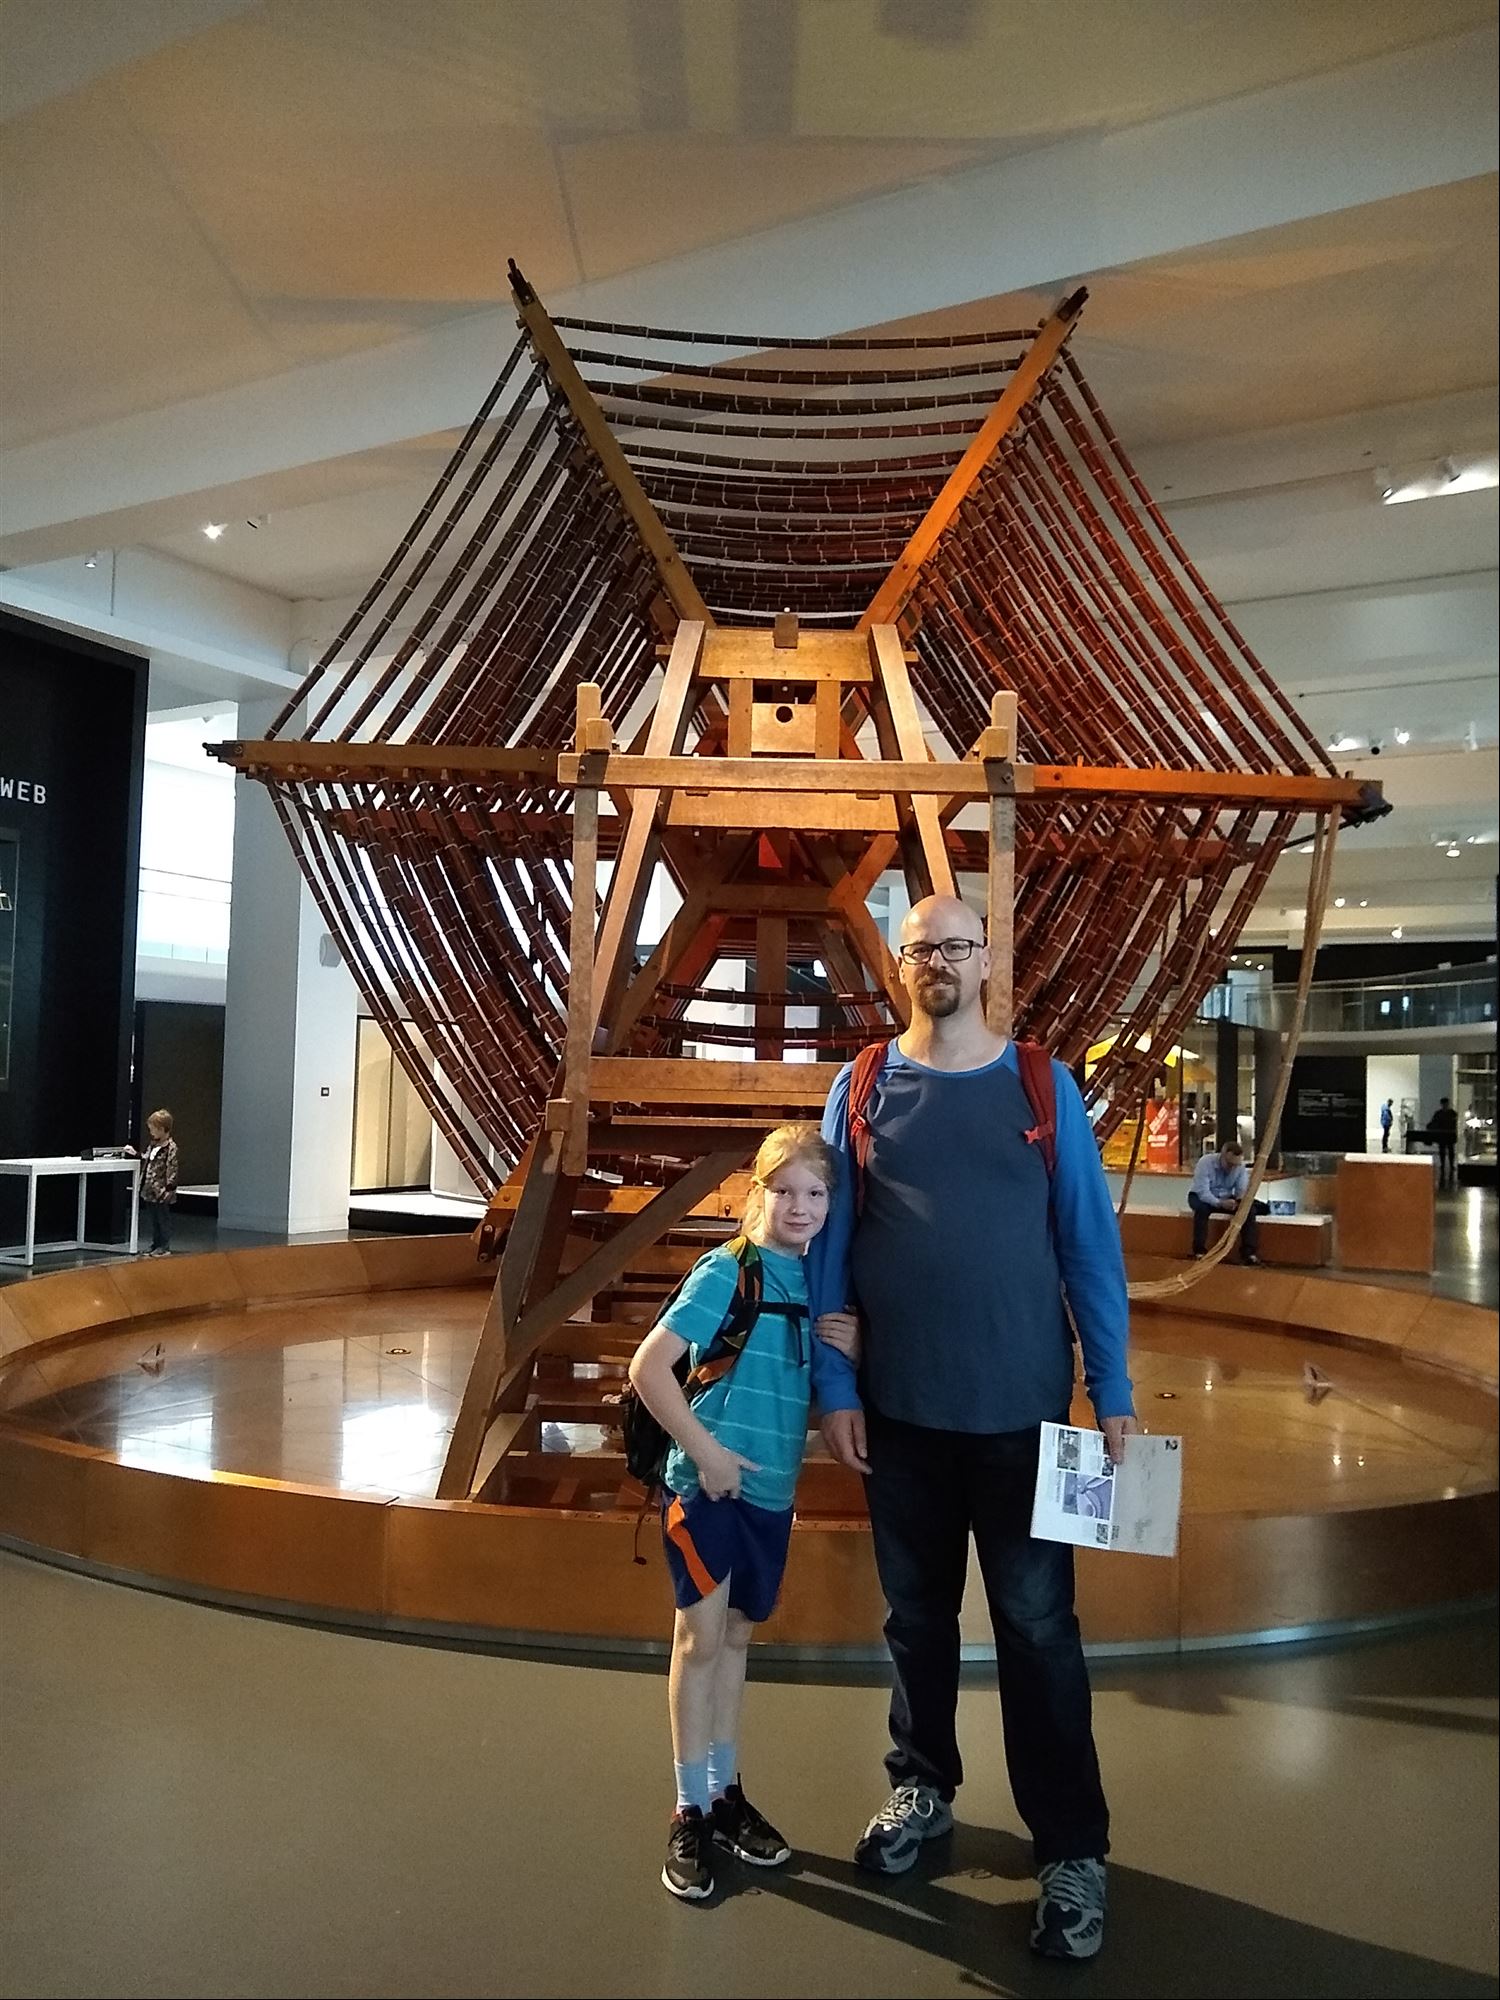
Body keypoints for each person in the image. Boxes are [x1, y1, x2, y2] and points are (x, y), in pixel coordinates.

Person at [808, 894, 1136, 1964]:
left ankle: (1071, 1847)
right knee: (916, 1618)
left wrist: (1113, 1385)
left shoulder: (1042, 1085)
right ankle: (922, 1785)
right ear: (900, 966)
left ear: (987, 960)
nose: (939, 962)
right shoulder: (862, 1088)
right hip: (900, 1415)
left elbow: (1088, 1242)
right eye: (921, 949)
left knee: (1040, 1629)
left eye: (956, 946)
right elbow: (830, 1251)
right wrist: (836, 1387)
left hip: (1026, 1417)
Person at [626, 1122, 850, 1903]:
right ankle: (689, 1807)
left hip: (771, 1493)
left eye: (815, 1192)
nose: (800, 1206)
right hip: (706, 1488)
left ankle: (725, 1793)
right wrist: (710, 1456)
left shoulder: (817, 1284)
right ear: (757, 1192)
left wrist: (855, 1347)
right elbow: (650, 1368)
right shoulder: (727, 1271)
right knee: (700, 1638)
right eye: (783, 1190)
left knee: (738, 1637)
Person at [1187, 1140, 1268, 1263]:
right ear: (1222, 1156)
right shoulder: (1205, 1162)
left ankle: (1249, 1253)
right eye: (1230, 1164)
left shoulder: (1240, 1167)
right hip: (1201, 1196)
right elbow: (1203, 1192)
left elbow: (1241, 1189)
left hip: (1226, 1197)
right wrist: (1219, 1203)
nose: (1232, 1168)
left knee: (1248, 1211)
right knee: (1201, 1210)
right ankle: (1199, 1251)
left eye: (1236, 1165)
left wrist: (1239, 1201)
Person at [125, 1108, 179, 1258]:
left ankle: (164, 1245)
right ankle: (156, 1244)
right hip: (150, 1189)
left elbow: (172, 1167)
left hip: (161, 1190)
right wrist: (135, 1153)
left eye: (153, 1129)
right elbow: (146, 1158)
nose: (151, 1133)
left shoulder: (171, 1148)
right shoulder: (153, 1145)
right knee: (154, 1219)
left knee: (162, 1219)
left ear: (162, 1129)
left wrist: (169, 1188)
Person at [1429, 1096, 1459, 1190]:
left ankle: (1448, 1164)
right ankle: (1446, 1164)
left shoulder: (1441, 1113)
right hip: (1445, 1134)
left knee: (1448, 1150)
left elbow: (1434, 1123)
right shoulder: (1451, 1113)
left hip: (1446, 1134)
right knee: (1445, 1150)